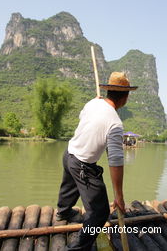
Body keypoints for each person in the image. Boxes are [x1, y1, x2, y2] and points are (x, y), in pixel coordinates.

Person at [56, 72, 137, 250]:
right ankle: (77, 248)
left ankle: (63, 212)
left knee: (69, 187)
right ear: (125, 97)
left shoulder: (93, 102)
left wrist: (96, 103)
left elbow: (82, 116)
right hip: (82, 164)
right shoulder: (115, 123)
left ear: (108, 92)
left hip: (69, 153)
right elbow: (115, 161)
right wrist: (119, 196)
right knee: (100, 213)